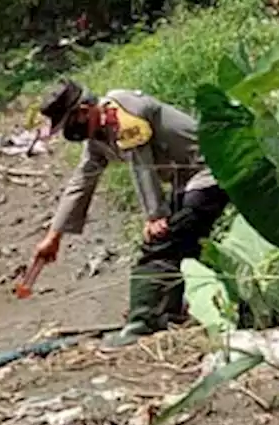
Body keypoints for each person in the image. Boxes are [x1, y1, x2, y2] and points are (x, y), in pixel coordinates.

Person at [32, 80, 229, 346]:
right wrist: (54, 236)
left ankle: (145, 321)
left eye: (68, 123)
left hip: (211, 169)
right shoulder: (99, 134)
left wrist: (155, 216)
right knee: (182, 241)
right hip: (185, 180)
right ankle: (171, 311)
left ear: (82, 111)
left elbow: (142, 166)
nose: (69, 131)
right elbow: (82, 180)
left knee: (165, 240)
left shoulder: (125, 113)